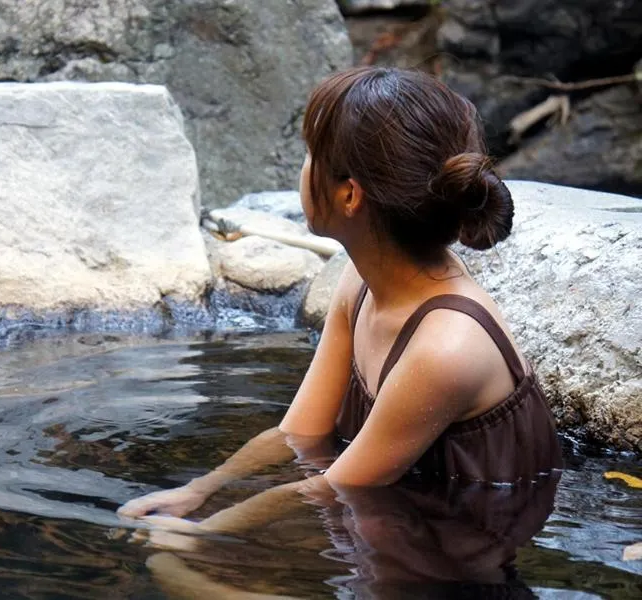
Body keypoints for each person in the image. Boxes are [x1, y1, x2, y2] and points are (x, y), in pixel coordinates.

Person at [117, 66, 563, 577]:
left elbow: (338, 485)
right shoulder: (361, 280)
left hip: (460, 556)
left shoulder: (446, 348)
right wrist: (199, 491)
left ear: (350, 195)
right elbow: (300, 433)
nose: (303, 168)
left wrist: (207, 534)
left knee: (174, 569)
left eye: (312, 154)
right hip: (395, 512)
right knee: (184, 556)